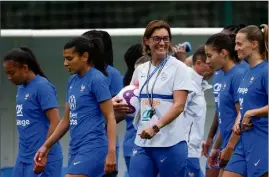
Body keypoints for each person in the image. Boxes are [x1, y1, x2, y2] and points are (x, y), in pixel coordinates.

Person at [34, 36, 117, 177]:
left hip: (93, 146)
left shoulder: (97, 79)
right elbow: (66, 121)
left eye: (69, 58)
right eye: (64, 59)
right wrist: (46, 146)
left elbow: (110, 117)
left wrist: (111, 153)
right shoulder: (72, 81)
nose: (65, 63)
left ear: (85, 57)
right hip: (75, 148)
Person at [128, 20, 193, 177]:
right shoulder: (140, 70)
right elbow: (132, 100)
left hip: (171, 143)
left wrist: (155, 127)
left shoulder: (179, 68)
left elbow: (179, 106)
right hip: (143, 142)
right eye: (157, 38)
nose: (162, 43)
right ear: (147, 41)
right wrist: (117, 108)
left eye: (166, 38)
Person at [3, 47, 63, 177]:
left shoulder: (42, 86)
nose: (9, 77)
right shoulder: (21, 88)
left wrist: (44, 152)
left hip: (43, 158)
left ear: (25, 68)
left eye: (12, 73)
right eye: (6, 73)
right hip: (23, 158)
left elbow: (55, 122)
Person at [202, 24, 248, 177]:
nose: (206, 61)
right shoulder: (223, 76)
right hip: (228, 144)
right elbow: (224, 119)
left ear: (223, 53)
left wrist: (229, 147)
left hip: (239, 147)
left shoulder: (238, 76)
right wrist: (216, 147)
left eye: (209, 56)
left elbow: (241, 118)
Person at [223, 24, 268, 177]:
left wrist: (251, 113)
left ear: (254, 44)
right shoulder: (246, 72)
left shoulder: (266, 71)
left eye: (239, 44)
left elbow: (253, 109)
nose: (236, 48)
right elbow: (246, 104)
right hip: (244, 140)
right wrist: (240, 118)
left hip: (262, 139)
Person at [183, 46, 213, 177]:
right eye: (209, 65)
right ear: (199, 64)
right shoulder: (187, 83)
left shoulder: (198, 84)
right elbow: (176, 114)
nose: (213, 69)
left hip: (192, 151)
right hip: (186, 152)